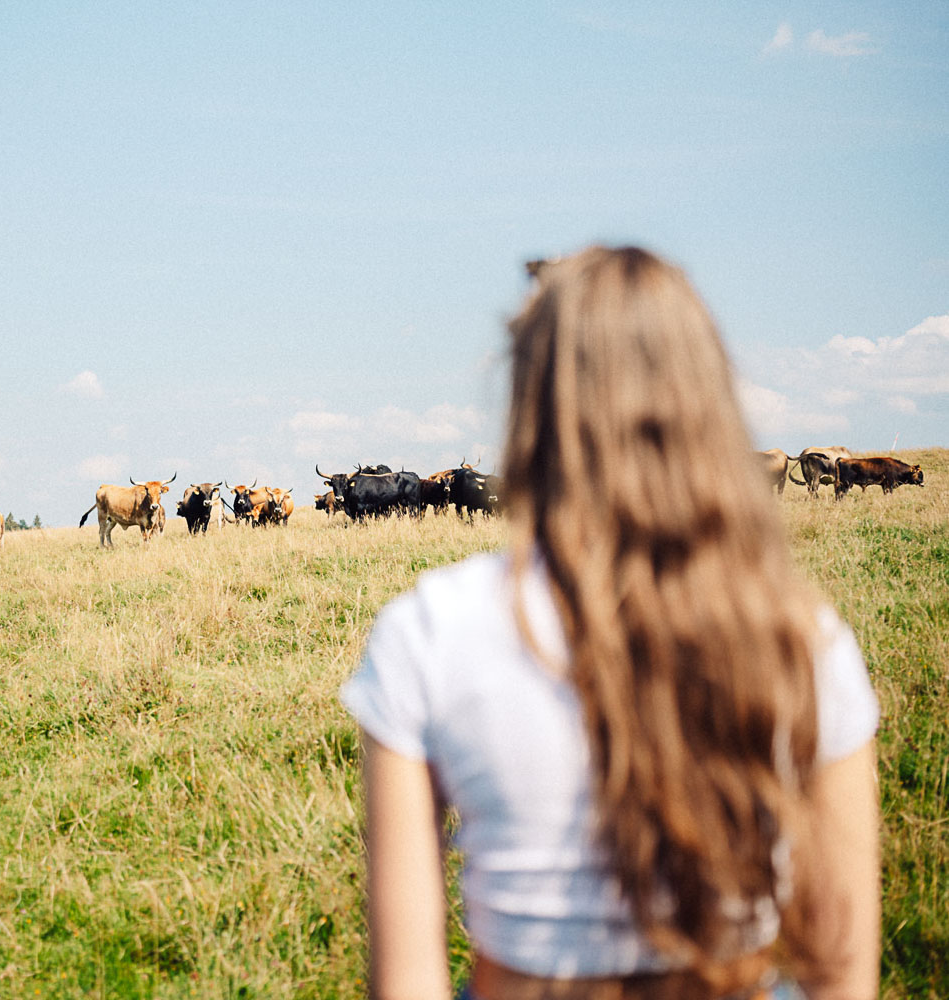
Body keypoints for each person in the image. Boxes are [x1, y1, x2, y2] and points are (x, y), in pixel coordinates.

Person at [341, 246, 880, 1000]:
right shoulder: (805, 636)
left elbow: (406, 986)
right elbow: (843, 972)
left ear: (530, 402)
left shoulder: (427, 630)